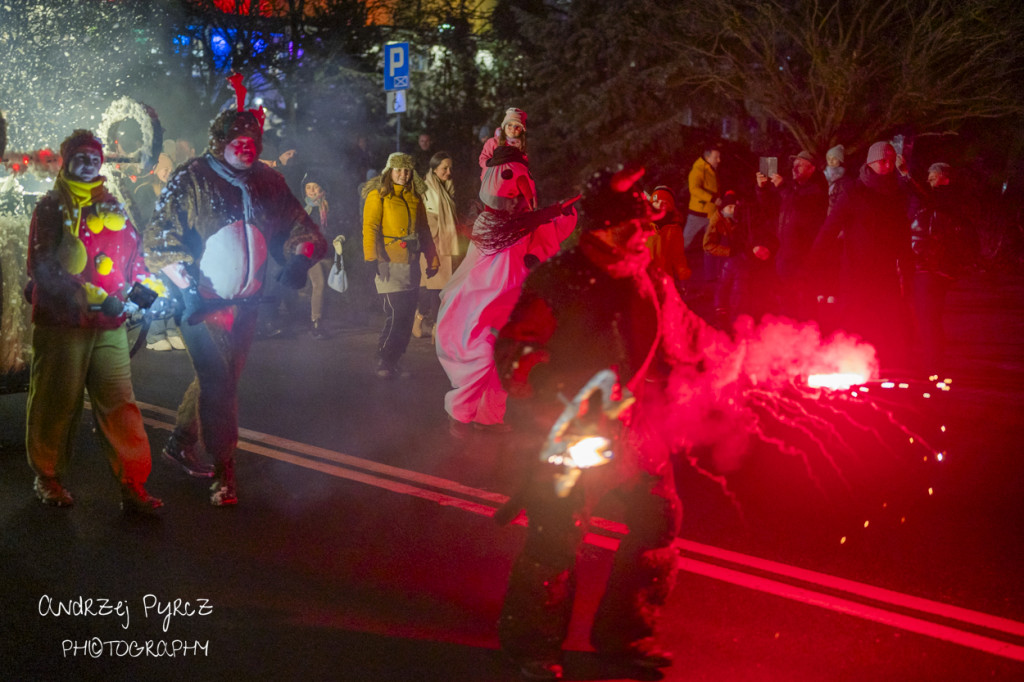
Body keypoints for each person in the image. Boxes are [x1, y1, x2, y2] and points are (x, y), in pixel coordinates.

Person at [493, 166, 702, 681]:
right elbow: (517, 349)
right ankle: (532, 646)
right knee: (556, 535)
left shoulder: (650, 278)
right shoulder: (560, 279)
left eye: (650, 229)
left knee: (658, 520)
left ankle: (627, 635)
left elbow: (688, 337)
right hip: (570, 429)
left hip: (635, 427)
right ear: (606, 228)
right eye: (638, 227)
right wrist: (557, 396)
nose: (647, 236)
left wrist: (743, 360)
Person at [144, 105, 327, 506]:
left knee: (223, 379)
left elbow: (298, 222)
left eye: (252, 143)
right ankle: (224, 470)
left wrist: (299, 257)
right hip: (200, 303)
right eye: (237, 142)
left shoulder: (268, 181)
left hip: (246, 305)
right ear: (220, 142)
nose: (245, 149)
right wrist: (187, 287)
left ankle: (179, 441)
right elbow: (159, 239)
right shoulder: (191, 177)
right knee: (220, 383)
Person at [25, 129, 163, 513]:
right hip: (63, 324)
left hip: (110, 325)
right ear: (67, 162)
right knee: (57, 402)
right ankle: (48, 476)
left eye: (94, 157)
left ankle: (133, 483)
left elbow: (136, 260)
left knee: (120, 403)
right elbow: (42, 265)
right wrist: (81, 295)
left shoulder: (114, 206)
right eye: (80, 157)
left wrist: (141, 298)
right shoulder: (51, 207)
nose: (88, 163)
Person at [435, 107, 575, 433]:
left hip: (512, 265)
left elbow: (526, 214)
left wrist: (547, 221)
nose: (514, 129)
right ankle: (462, 408)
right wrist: (547, 214)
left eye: (518, 126)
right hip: (493, 279)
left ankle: (490, 415)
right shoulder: (501, 175)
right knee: (488, 346)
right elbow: (506, 205)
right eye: (509, 125)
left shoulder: (518, 170)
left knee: (503, 345)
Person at [811, 141, 913, 371]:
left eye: (890, 160)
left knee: (886, 320)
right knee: (854, 318)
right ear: (870, 161)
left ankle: (885, 366)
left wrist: (906, 266)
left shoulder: (896, 194)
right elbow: (830, 228)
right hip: (855, 270)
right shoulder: (853, 190)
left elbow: (902, 233)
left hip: (885, 271)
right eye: (882, 160)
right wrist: (813, 262)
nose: (887, 165)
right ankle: (849, 364)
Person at [361, 152, 438, 378]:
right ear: (389, 171)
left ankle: (395, 359)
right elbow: (370, 228)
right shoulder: (378, 195)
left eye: (407, 170)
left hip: (411, 262)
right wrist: (371, 258)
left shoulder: (415, 197)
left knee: (406, 317)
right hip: (388, 262)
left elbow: (424, 231)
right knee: (396, 313)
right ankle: (383, 358)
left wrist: (432, 258)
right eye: (398, 170)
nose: (403, 175)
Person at [907, 162, 979, 375]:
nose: (929, 178)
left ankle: (932, 364)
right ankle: (930, 362)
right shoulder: (935, 200)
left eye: (933, 175)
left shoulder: (948, 200)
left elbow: (934, 205)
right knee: (925, 315)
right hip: (926, 267)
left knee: (928, 315)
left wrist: (906, 175)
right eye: (928, 174)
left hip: (935, 268)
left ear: (945, 178)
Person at [755, 150, 829, 321]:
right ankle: (788, 334)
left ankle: (806, 336)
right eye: (794, 165)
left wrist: (782, 187)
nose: (794, 168)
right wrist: (762, 188)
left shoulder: (816, 188)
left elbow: (800, 206)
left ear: (812, 168)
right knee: (784, 298)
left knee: (803, 300)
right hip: (785, 251)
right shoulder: (793, 188)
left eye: (800, 165)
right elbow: (770, 207)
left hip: (803, 254)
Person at [133, 152, 186, 351]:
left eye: (170, 169)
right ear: (155, 169)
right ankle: (155, 335)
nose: (168, 173)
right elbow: (143, 218)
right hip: (149, 248)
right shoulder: (144, 190)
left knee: (173, 289)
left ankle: (172, 330)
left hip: (169, 248)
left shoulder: (173, 189)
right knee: (156, 290)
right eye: (165, 168)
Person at [703, 190, 777, 327]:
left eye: (733, 207)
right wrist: (729, 251)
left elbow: (753, 234)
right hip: (728, 256)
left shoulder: (745, 218)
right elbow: (708, 245)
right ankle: (734, 318)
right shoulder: (717, 220)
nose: (732, 210)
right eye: (728, 207)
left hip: (743, 255)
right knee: (730, 284)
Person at [413, 152, 463, 340]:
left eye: (450, 168)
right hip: (433, 245)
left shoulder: (447, 187)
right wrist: (433, 239)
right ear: (434, 169)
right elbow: (427, 219)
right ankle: (435, 328)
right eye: (444, 168)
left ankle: (420, 322)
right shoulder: (427, 188)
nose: (448, 172)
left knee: (437, 289)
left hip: (447, 244)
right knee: (435, 290)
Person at [683, 146, 722, 302]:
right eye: (716, 157)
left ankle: (710, 277)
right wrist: (712, 199)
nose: (719, 160)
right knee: (685, 242)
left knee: (709, 245)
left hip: (710, 214)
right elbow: (694, 189)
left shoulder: (709, 168)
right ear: (707, 156)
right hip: (698, 213)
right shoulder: (699, 169)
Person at [302, 173, 333, 339]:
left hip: (327, 252)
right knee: (318, 284)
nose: (312, 190)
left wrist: (339, 238)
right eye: (308, 187)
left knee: (324, 287)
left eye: (314, 186)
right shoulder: (302, 209)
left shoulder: (328, 208)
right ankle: (315, 323)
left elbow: (336, 227)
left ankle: (318, 319)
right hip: (309, 253)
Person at [645, 185, 690, 288]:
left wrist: (683, 274)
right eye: (656, 202)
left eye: (664, 202)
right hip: (645, 275)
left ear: (670, 207)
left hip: (665, 276)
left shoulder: (674, 229)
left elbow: (678, 255)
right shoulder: (644, 225)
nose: (660, 205)